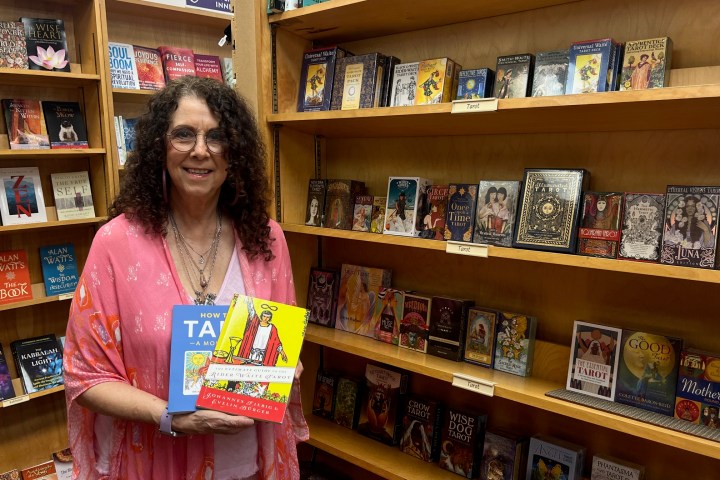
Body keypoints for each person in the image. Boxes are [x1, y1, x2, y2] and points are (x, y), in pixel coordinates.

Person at [62, 76, 308, 479]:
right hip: (153, 461)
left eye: (216, 137)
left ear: (235, 153)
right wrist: (169, 417)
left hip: (245, 465)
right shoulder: (116, 244)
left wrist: (284, 366)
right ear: (161, 146)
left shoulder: (267, 240)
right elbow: (83, 375)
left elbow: (278, 340)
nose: (200, 151)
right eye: (183, 135)